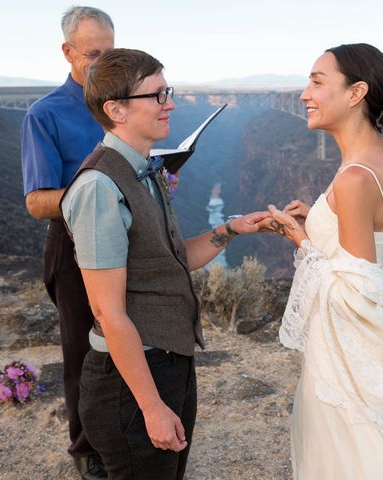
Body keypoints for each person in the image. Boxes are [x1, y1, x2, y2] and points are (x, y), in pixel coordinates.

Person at [60, 48, 269, 480]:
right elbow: (108, 313)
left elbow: (172, 262)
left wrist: (231, 229)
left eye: (167, 91)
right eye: (156, 95)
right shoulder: (100, 187)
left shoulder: (144, 170)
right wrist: (151, 406)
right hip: (130, 381)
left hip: (168, 363)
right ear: (115, 109)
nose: (170, 103)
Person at [263, 44, 383, 479]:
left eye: (317, 81)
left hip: (346, 359)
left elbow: (355, 293)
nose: (304, 93)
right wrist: (324, 221)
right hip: (370, 349)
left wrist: (302, 240)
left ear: (355, 92)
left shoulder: (353, 178)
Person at [20, 6, 114, 479]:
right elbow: (37, 202)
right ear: (67, 52)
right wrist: (98, 192)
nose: (104, 63)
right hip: (74, 247)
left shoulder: (123, 101)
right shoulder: (45, 114)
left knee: (129, 346)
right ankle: (86, 451)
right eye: (94, 54)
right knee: (83, 355)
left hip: (128, 240)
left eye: (110, 52)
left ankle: (125, 435)